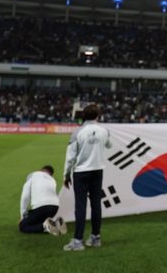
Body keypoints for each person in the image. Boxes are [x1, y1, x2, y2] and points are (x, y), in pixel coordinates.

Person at [62, 104, 112, 251]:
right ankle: (96, 238)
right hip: (98, 171)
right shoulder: (104, 131)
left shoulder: (78, 132)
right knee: (96, 204)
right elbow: (110, 145)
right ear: (98, 115)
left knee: (81, 205)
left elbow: (70, 157)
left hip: (81, 172)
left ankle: (78, 241)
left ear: (83, 115)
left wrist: (66, 175)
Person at [19, 165, 66, 235]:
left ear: (41, 170)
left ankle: (46, 227)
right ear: (51, 174)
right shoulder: (52, 180)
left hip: (41, 207)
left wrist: (23, 216)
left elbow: (25, 196)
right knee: (37, 219)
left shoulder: (33, 175)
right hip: (55, 208)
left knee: (23, 226)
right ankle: (56, 224)